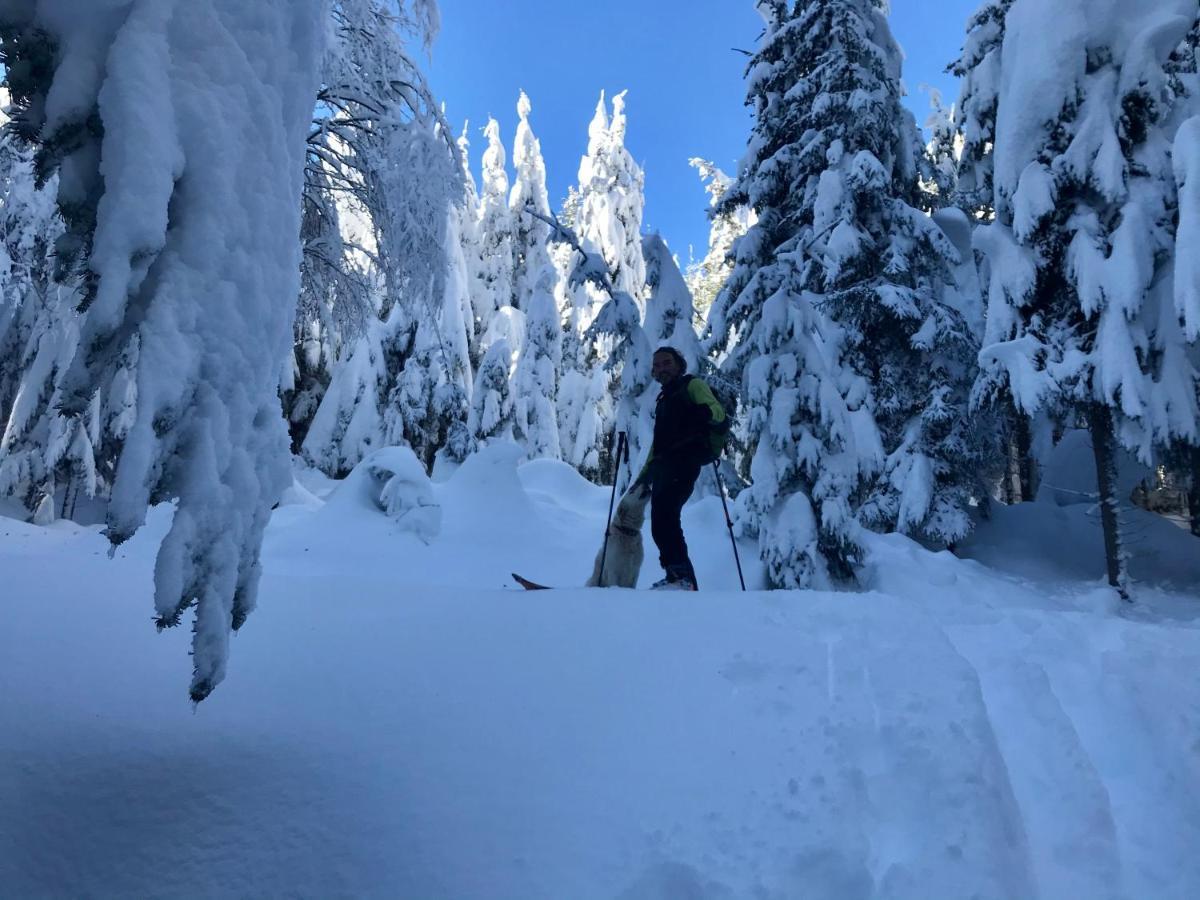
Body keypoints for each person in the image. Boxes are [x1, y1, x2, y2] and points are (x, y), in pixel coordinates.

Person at [636, 345, 728, 591]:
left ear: (679, 365)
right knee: (660, 520)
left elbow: (719, 413)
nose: (661, 368)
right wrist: (645, 475)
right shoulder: (665, 398)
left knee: (665, 516)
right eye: (656, 365)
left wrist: (705, 413)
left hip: (685, 462)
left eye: (666, 363)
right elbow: (658, 445)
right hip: (666, 465)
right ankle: (679, 577)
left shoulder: (692, 386)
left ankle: (681, 578)